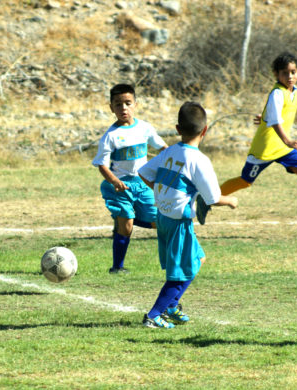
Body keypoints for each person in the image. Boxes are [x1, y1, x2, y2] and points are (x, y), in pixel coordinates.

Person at [196, 52, 297, 229]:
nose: (290, 76)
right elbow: (276, 119)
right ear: (277, 75)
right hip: (266, 147)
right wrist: (287, 140)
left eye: (293, 72)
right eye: (285, 73)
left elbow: (275, 113)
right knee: (246, 181)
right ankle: (207, 198)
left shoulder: (295, 92)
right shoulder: (277, 93)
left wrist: (264, 117)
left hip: (283, 147)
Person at [138, 102, 238, 328]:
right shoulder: (199, 160)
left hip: (162, 217)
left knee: (198, 258)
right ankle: (154, 315)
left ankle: (172, 306)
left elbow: (143, 172)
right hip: (178, 222)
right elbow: (213, 198)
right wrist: (230, 200)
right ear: (205, 131)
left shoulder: (170, 151)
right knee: (181, 273)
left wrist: (160, 190)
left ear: (177, 129)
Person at [92, 83, 167, 274]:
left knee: (157, 222)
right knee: (126, 226)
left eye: (127, 103)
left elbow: (163, 148)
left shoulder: (145, 128)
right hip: (119, 186)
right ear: (111, 108)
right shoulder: (111, 136)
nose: (123, 108)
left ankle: (122, 221)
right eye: (118, 104)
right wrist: (115, 181)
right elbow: (101, 164)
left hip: (143, 184)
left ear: (135, 104)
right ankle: (117, 267)